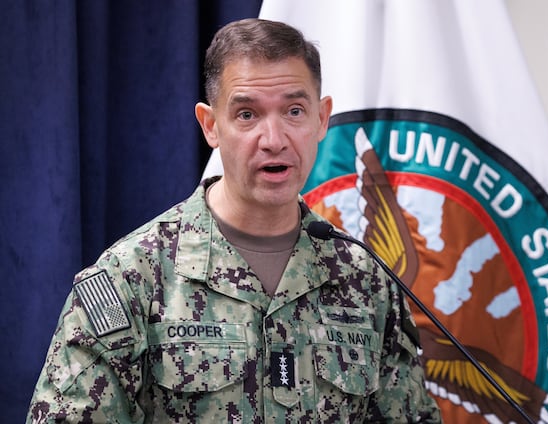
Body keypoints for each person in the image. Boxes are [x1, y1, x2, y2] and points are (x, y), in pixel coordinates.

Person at [27, 18, 442, 423]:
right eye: (247, 115)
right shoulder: (132, 277)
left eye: (294, 111)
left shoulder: (366, 280)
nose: (274, 140)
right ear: (211, 125)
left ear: (321, 118)